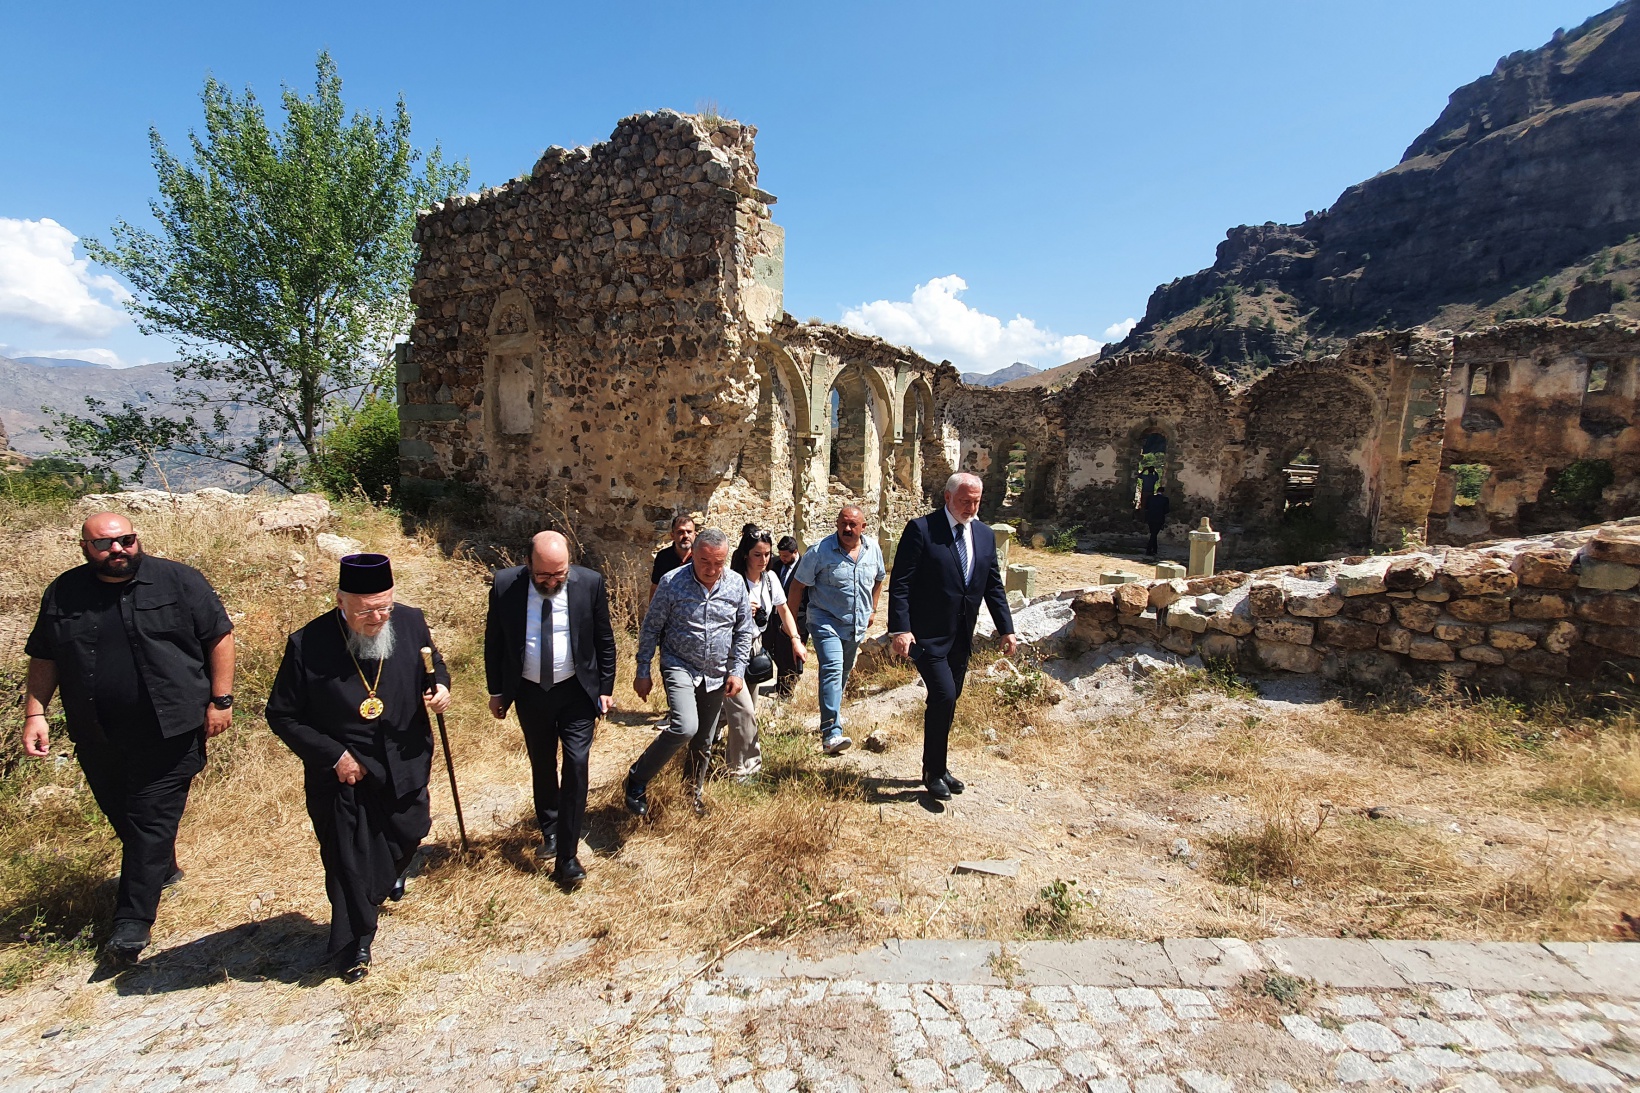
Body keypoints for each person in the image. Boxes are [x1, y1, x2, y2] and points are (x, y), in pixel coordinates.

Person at [23, 512, 235, 966]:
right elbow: (45, 655)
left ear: (137, 540)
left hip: (170, 728)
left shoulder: (178, 581)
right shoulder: (64, 592)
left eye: (126, 540)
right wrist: (35, 713)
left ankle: (131, 924)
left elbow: (219, 637)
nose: (117, 550)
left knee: (148, 819)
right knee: (121, 809)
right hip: (96, 732)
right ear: (84, 547)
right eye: (105, 544)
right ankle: (162, 867)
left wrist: (221, 700)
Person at [266, 553, 451, 982]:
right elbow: (282, 715)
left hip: (404, 757)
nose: (378, 617)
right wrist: (334, 756)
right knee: (347, 857)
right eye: (366, 610)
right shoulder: (307, 644)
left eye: (384, 606)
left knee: (411, 828)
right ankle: (355, 942)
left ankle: (376, 888)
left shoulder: (409, 621)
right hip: (343, 771)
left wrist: (439, 686)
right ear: (340, 602)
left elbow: (432, 664)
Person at [484, 531, 616, 888]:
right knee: (542, 763)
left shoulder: (589, 583)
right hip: (529, 692)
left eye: (560, 574)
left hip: (576, 691)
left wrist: (605, 689)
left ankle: (568, 857)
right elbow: (494, 641)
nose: (553, 581)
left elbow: (604, 639)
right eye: (544, 576)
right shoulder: (504, 585)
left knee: (575, 764)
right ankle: (550, 829)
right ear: (528, 565)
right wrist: (497, 691)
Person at [888, 473, 1017, 802]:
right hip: (925, 638)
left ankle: (939, 767)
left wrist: (1007, 629)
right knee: (943, 695)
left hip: (961, 637)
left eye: (976, 501)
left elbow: (993, 586)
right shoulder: (922, 530)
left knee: (947, 701)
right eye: (965, 501)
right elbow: (901, 582)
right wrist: (900, 629)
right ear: (947, 497)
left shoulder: (985, 536)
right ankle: (932, 773)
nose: (971, 508)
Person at [625, 528, 755, 818]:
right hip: (679, 663)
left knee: (703, 741)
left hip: (716, 672)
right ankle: (638, 778)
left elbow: (744, 631)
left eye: (718, 563)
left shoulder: (735, 585)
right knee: (685, 727)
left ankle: (690, 798)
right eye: (704, 561)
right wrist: (642, 669)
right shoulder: (673, 583)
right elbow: (651, 628)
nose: (711, 570)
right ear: (692, 555)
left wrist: (737, 671)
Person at [789, 506, 886, 756]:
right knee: (832, 667)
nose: (847, 529)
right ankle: (831, 733)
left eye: (853, 525)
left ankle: (830, 715)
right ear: (836, 524)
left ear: (863, 527)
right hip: (824, 619)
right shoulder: (819, 551)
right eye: (843, 523)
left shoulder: (872, 549)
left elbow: (879, 578)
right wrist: (790, 623)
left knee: (842, 671)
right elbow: (798, 586)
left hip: (855, 623)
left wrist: (873, 610)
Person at [720, 527, 806, 779]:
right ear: (746, 555)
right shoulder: (730, 580)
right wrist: (741, 608)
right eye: (758, 554)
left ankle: (706, 741)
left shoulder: (770, 580)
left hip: (755, 651)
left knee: (738, 713)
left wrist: (796, 640)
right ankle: (743, 770)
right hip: (730, 652)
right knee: (744, 713)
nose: (764, 560)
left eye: (767, 554)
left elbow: (784, 611)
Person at [770, 535, 806, 698]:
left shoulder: (804, 567)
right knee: (778, 652)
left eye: (786, 556)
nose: (782, 559)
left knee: (791, 655)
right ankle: (781, 685)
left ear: (795, 552)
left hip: (798, 618)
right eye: (781, 555)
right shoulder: (776, 564)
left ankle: (787, 691)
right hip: (777, 617)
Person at [648, 514, 696, 606]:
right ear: (672, 535)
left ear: (695, 535)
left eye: (689, 532)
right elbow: (656, 586)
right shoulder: (663, 557)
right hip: (670, 611)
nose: (685, 536)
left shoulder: (701, 557)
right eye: (680, 532)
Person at [1145, 485, 1172, 556]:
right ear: (1163, 492)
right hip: (1159, 519)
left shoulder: (1150, 498)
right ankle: (1148, 550)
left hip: (1150, 518)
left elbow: (1146, 507)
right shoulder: (1165, 499)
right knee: (1154, 534)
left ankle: (1155, 550)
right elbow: (1166, 510)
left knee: (1153, 534)